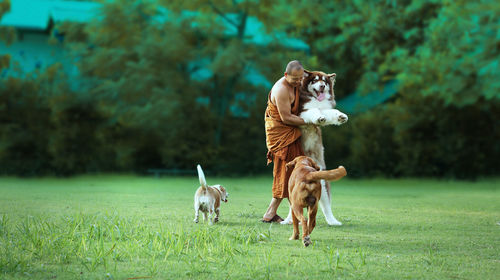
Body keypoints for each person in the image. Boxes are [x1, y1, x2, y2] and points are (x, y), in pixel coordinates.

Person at [262, 60, 306, 223]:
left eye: (300, 78)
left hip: (291, 134)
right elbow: (286, 118)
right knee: (289, 172)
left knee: (290, 173)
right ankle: (296, 215)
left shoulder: (297, 83)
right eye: (295, 79)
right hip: (282, 135)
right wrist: (310, 121)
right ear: (286, 75)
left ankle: (270, 214)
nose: (298, 82)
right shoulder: (281, 89)